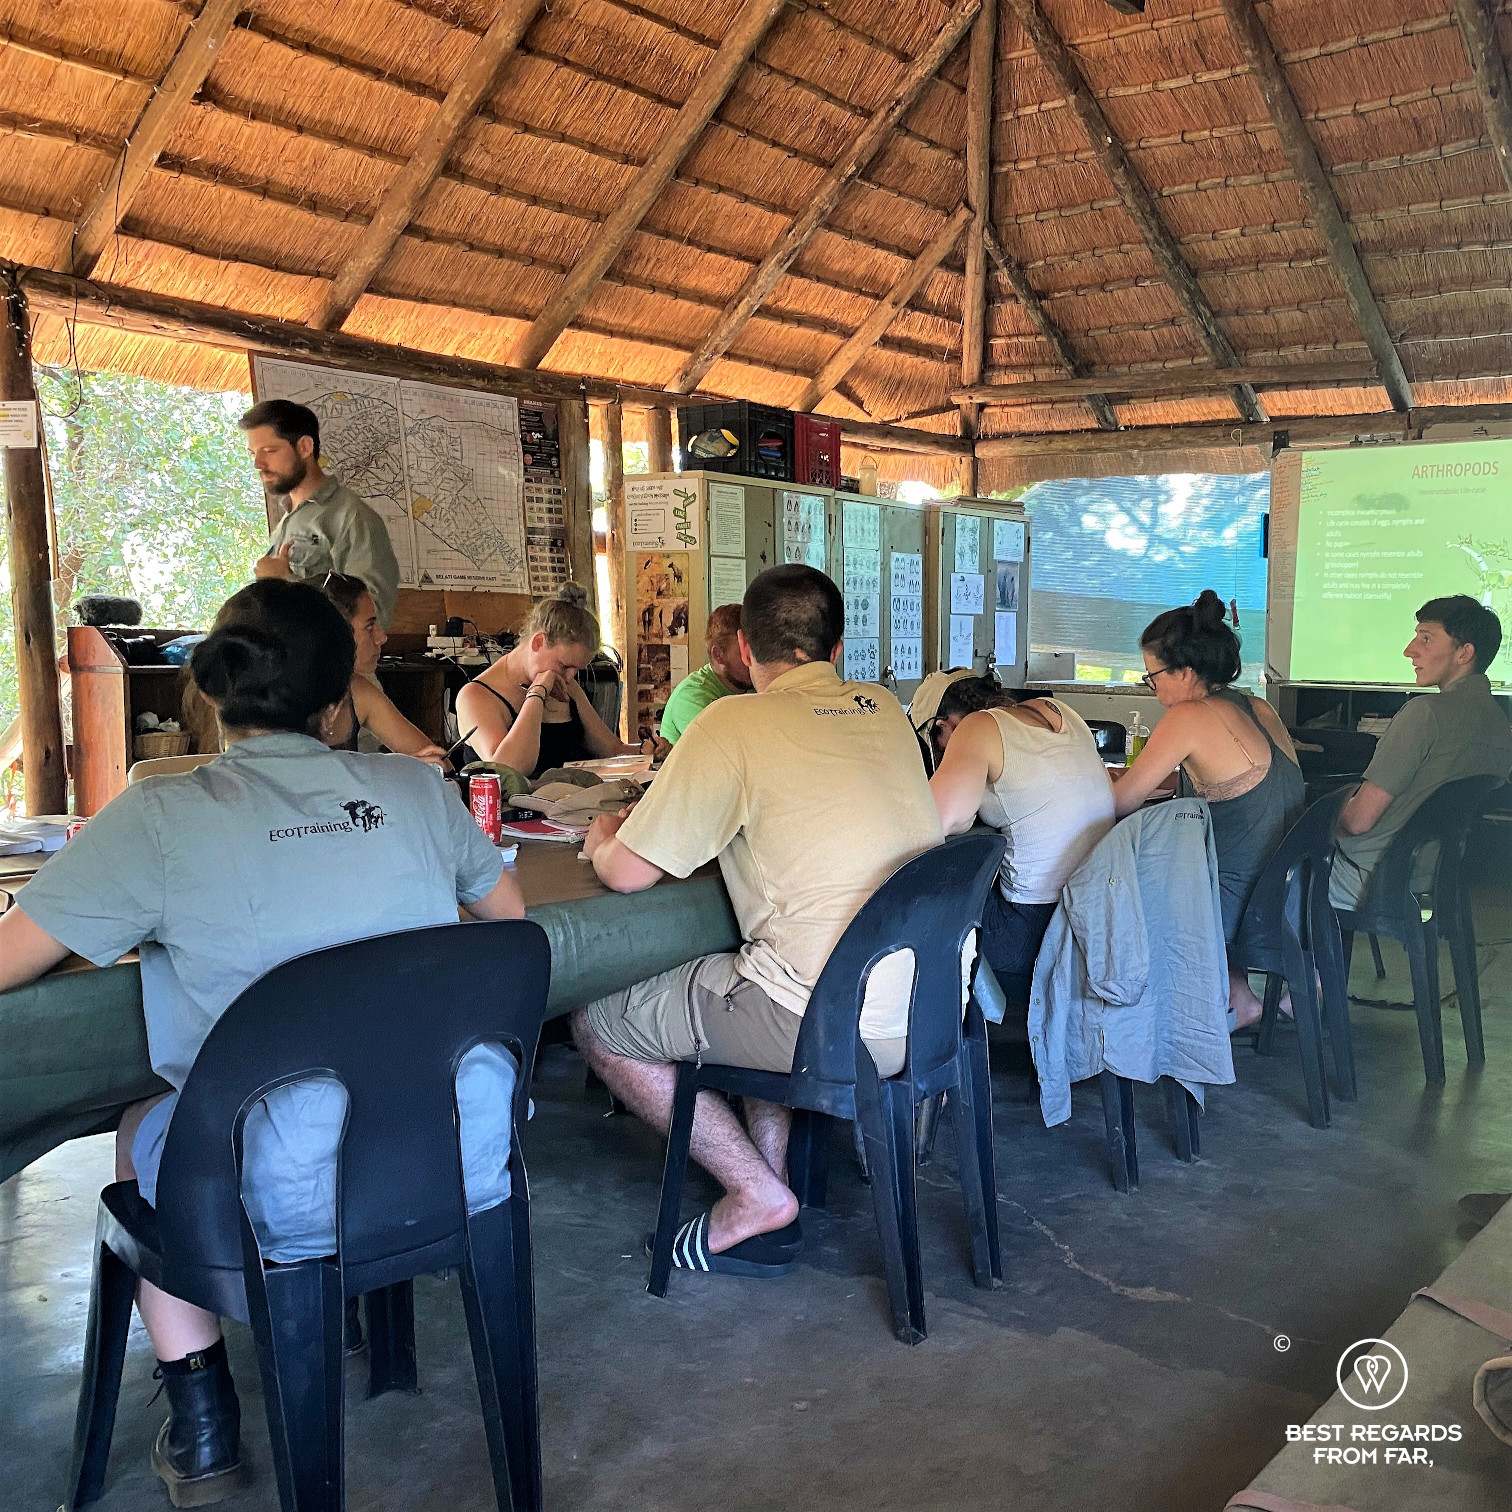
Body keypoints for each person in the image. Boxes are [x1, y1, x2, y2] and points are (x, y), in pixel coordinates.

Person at [0, 579, 524, 1506]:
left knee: (142, 1124)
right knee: (346, 1075)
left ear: (211, 692)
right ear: (339, 702)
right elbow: (508, 924)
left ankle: (203, 1421)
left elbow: (10, 961)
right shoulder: (418, 790)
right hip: (459, 1159)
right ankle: (345, 1319)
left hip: (279, 1196)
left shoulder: (161, 816)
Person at [570, 565, 944, 1276]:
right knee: (754, 967)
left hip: (828, 1020)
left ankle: (755, 1194)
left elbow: (626, 873)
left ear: (744, 649)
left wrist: (603, 835)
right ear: (838, 650)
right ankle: (775, 1181)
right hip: (927, 1010)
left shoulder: (732, 722)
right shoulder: (885, 709)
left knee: (598, 1020)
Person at [1112, 590, 1304, 1030]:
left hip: (1239, 903)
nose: (1153, 688)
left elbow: (1121, 801)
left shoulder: (1189, 717)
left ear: (1184, 671)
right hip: (1290, 893)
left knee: (1115, 887)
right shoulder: (1257, 706)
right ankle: (1240, 995)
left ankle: (1132, 1021)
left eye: (1152, 677)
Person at [930, 676, 1115, 1003]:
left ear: (945, 726)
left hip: (1031, 930)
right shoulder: (1060, 711)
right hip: (1097, 918)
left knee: (931, 905)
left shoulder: (977, 727)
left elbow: (945, 818)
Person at [1332, 595, 1512, 909]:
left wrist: (1324, 807)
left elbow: (1359, 821)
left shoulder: (1424, 713)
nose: (1409, 650)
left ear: (1464, 653)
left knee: (1268, 874)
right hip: (1438, 878)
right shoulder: (1499, 723)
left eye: (1426, 639)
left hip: (1373, 879)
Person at [457, 585, 664, 779]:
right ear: (538, 642)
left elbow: (613, 750)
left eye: (577, 670)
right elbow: (509, 770)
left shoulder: (567, 685)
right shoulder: (476, 696)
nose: (569, 678)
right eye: (565, 666)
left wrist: (646, 752)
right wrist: (537, 694)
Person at [243, 398, 401, 628]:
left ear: (305, 447)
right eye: (253, 453)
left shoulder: (352, 517)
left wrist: (285, 582)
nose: (258, 463)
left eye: (269, 451)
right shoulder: (287, 519)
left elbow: (374, 616)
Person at [319, 572, 449, 763]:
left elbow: (439, 762)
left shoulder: (357, 690)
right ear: (335, 634)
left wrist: (411, 766)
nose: (382, 637)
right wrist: (392, 768)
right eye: (369, 627)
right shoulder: (280, 701)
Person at [658, 604, 753, 743]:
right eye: (744, 652)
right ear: (718, 655)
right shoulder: (690, 698)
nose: (754, 660)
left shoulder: (752, 685)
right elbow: (728, 749)